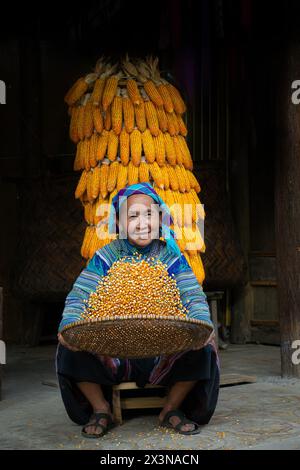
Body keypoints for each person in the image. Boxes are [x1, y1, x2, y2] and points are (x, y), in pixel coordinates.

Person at [56, 183, 220, 438]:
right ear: (119, 223)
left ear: (160, 218)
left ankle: (170, 409)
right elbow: (79, 295)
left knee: (203, 347)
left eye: (149, 214)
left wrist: (201, 324)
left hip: (164, 350)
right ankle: (101, 409)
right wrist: (69, 323)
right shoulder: (106, 257)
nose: (142, 223)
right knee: (69, 345)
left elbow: (193, 296)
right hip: (113, 350)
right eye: (133, 216)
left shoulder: (171, 257)